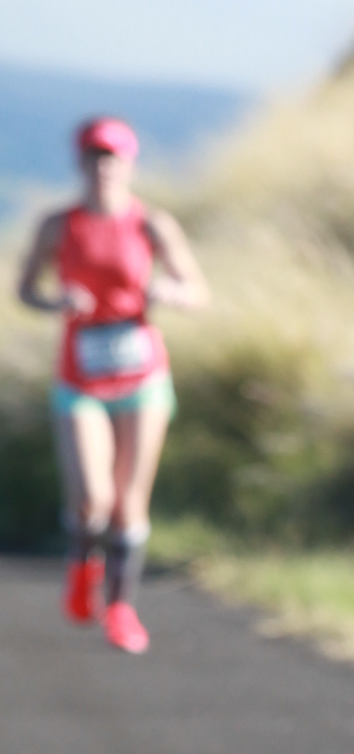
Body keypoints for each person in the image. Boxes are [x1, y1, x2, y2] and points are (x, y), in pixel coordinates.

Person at [15, 116, 209, 653]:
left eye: (113, 158)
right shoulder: (58, 225)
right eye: (95, 158)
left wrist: (171, 293)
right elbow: (25, 290)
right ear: (80, 163)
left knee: (127, 502)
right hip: (80, 376)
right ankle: (83, 564)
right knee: (91, 498)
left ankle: (121, 607)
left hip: (141, 373)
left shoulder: (152, 224)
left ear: (129, 164)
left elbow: (197, 290)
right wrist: (56, 302)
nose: (104, 168)